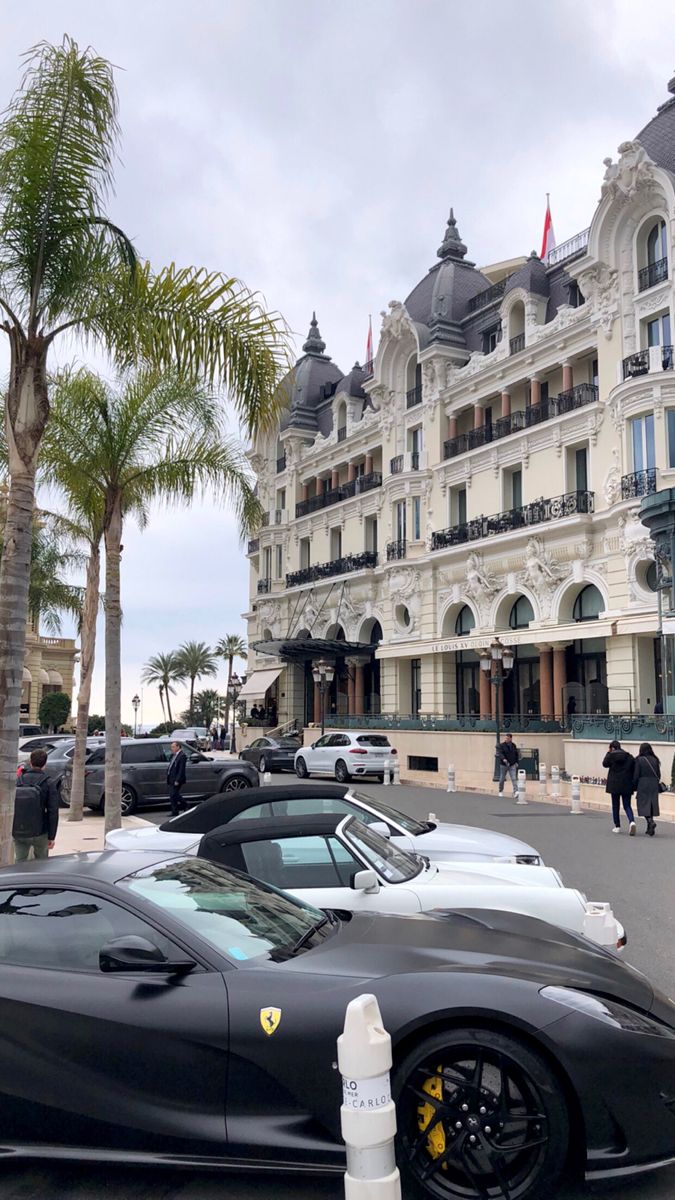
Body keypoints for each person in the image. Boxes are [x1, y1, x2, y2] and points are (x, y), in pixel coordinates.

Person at [13, 748, 59, 861]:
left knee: (19, 861)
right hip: (40, 831)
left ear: (30, 761)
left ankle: (19, 878)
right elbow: (53, 812)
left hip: (19, 830)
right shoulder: (48, 782)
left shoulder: (19, 780)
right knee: (41, 863)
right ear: (45, 763)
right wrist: (51, 836)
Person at [602, 740, 636, 835]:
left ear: (612, 748)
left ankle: (617, 826)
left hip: (614, 785)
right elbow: (634, 767)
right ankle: (632, 821)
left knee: (615, 805)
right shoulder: (629, 756)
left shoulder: (611, 756)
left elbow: (604, 764)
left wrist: (608, 753)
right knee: (627, 805)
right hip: (627, 784)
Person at [633, 742, 661, 836]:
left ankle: (650, 821)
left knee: (642, 804)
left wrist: (634, 784)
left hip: (643, 783)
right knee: (651, 805)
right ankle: (649, 827)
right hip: (653, 784)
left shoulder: (639, 759)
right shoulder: (655, 759)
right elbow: (658, 774)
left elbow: (636, 774)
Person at [167, 740, 188, 817]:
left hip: (177, 779)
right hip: (171, 778)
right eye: (171, 747)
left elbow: (181, 769)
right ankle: (175, 811)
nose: (172, 748)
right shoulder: (174, 755)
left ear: (178, 747)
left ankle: (185, 805)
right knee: (172, 795)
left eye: (173, 747)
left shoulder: (182, 756)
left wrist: (177, 780)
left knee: (174, 794)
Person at [497, 733, 519, 798]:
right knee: (502, 778)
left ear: (511, 738)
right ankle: (500, 791)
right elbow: (500, 753)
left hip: (512, 764)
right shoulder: (502, 745)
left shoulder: (513, 745)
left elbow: (516, 754)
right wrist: (504, 759)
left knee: (514, 778)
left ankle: (516, 791)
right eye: (506, 738)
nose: (506, 739)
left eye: (508, 738)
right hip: (504, 765)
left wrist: (517, 762)